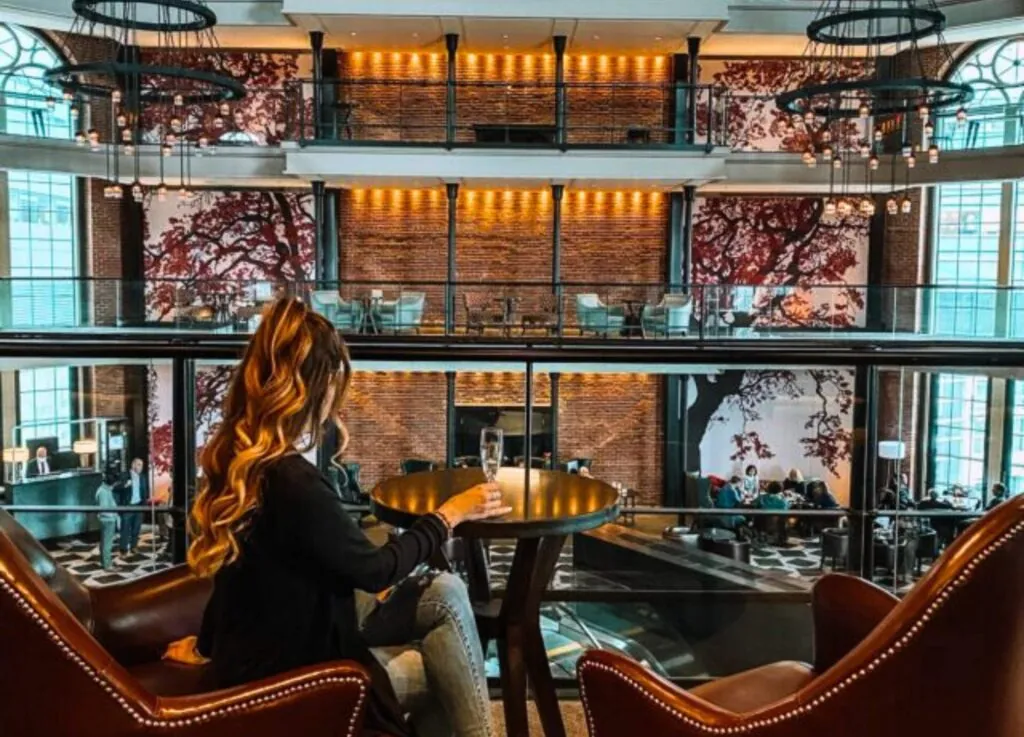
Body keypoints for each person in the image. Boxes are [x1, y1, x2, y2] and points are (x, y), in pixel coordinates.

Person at [187, 298, 508, 737]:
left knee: (447, 594)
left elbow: (233, 574)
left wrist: (207, 644)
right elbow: (376, 571)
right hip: (299, 676)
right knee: (442, 662)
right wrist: (449, 514)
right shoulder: (292, 481)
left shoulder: (238, 459)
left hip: (273, 642)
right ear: (312, 389)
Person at [117, 457, 150, 555]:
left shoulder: (143, 477)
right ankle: (123, 549)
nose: (141, 467)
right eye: (139, 465)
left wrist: (144, 506)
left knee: (136, 528)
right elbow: (115, 488)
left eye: (142, 465)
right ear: (133, 465)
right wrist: (124, 485)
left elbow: (145, 492)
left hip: (139, 506)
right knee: (125, 529)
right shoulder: (124, 475)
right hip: (128, 506)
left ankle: (134, 546)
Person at [95, 470, 119, 570]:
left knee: (106, 543)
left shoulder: (105, 490)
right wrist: (114, 516)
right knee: (107, 544)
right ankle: (107, 565)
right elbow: (104, 510)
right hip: (107, 521)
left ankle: (105, 562)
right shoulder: (103, 492)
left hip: (108, 520)